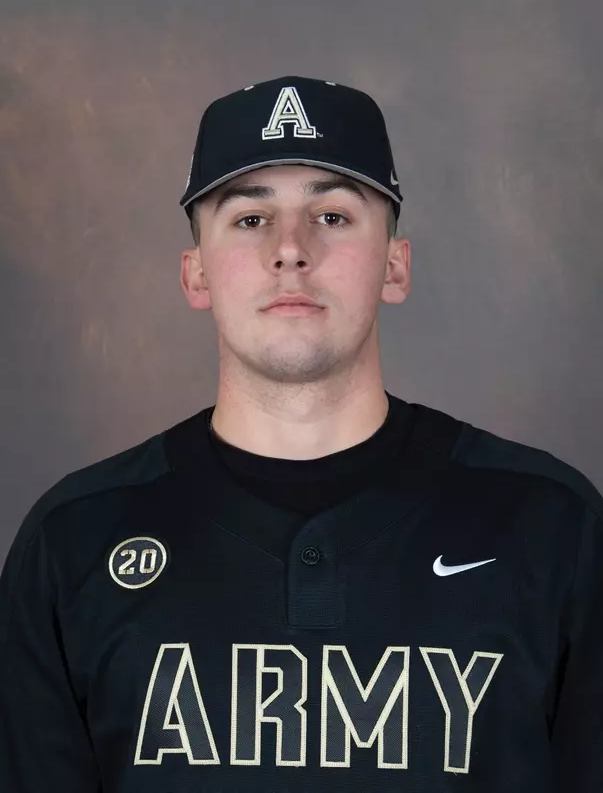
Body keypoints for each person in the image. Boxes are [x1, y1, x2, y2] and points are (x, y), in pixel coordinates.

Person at [1, 75, 602, 793]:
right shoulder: (73, 544)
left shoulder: (550, 527)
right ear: (195, 274)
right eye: (249, 218)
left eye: (333, 215)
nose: (290, 249)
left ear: (394, 265)